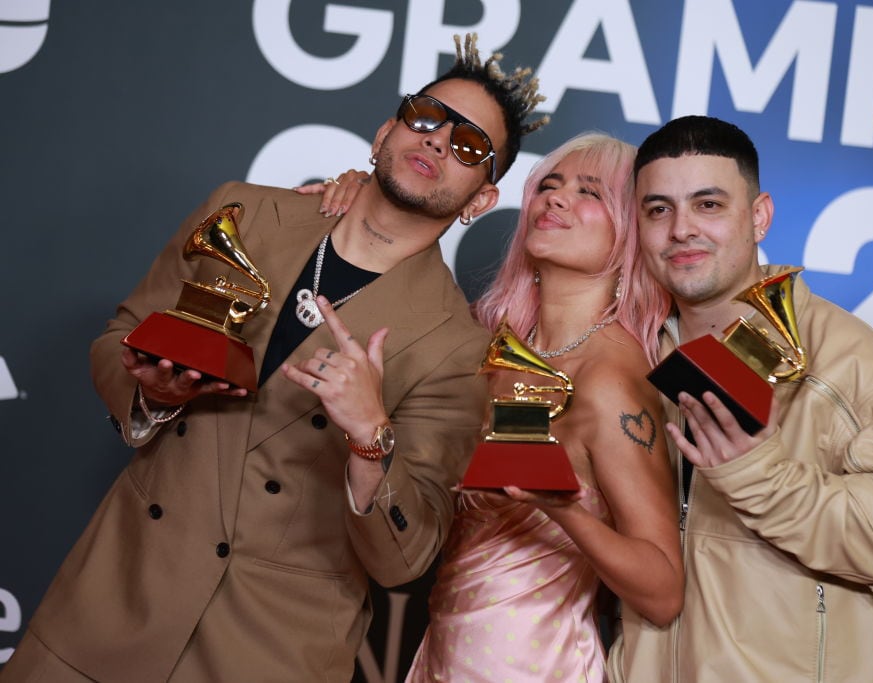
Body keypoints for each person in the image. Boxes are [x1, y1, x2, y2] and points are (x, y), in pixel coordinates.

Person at [0, 34, 548, 683]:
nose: (436, 140)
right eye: (426, 116)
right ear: (383, 132)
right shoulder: (247, 212)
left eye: (469, 146)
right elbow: (120, 334)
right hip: (115, 606)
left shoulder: (456, 346)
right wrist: (152, 393)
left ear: (481, 200)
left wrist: (372, 441)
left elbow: (408, 552)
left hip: (273, 649)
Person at [626, 115, 873, 682]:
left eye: (708, 205)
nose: (680, 230)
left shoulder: (844, 358)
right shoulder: (638, 353)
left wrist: (759, 474)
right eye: (659, 210)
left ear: (759, 216)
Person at [407, 132, 683, 682]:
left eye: (589, 192)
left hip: (536, 666)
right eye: (548, 186)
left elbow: (663, 589)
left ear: (630, 233)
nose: (555, 199)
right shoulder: (496, 343)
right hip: (446, 652)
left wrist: (562, 508)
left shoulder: (610, 380)